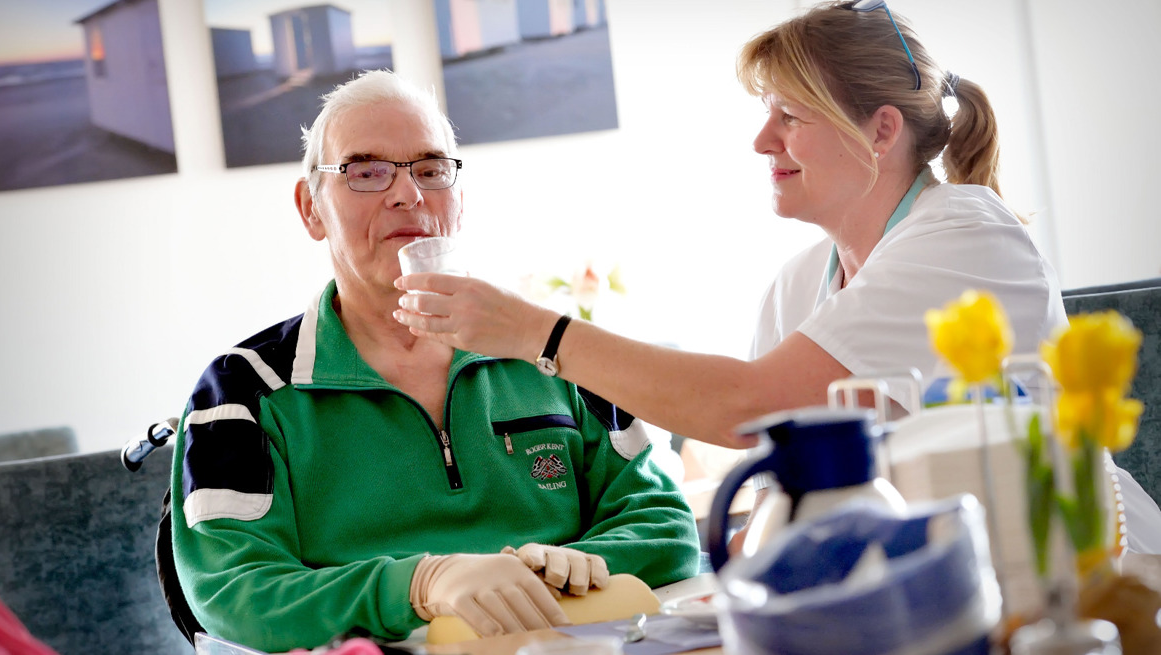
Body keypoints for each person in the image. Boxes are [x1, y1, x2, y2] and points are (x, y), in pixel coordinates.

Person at [169, 70, 699, 653]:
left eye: (430, 169)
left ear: (459, 199)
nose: (407, 194)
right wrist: (420, 584)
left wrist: (565, 568)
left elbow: (664, 525)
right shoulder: (243, 390)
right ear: (311, 208)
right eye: (366, 171)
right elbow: (235, 594)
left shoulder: (551, 350)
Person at [393, 0, 1065, 446]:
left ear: (881, 129)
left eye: (790, 116)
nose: (761, 140)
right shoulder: (799, 285)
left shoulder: (963, 235)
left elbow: (747, 407)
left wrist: (533, 330)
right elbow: (778, 453)